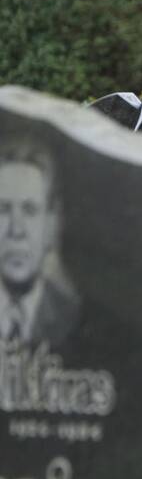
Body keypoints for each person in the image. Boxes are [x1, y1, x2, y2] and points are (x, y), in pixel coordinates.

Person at [0, 138, 80, 349]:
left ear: (51, 224)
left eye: (30, 210)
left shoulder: (77, 318)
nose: (16, 230)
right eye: (4, 210)